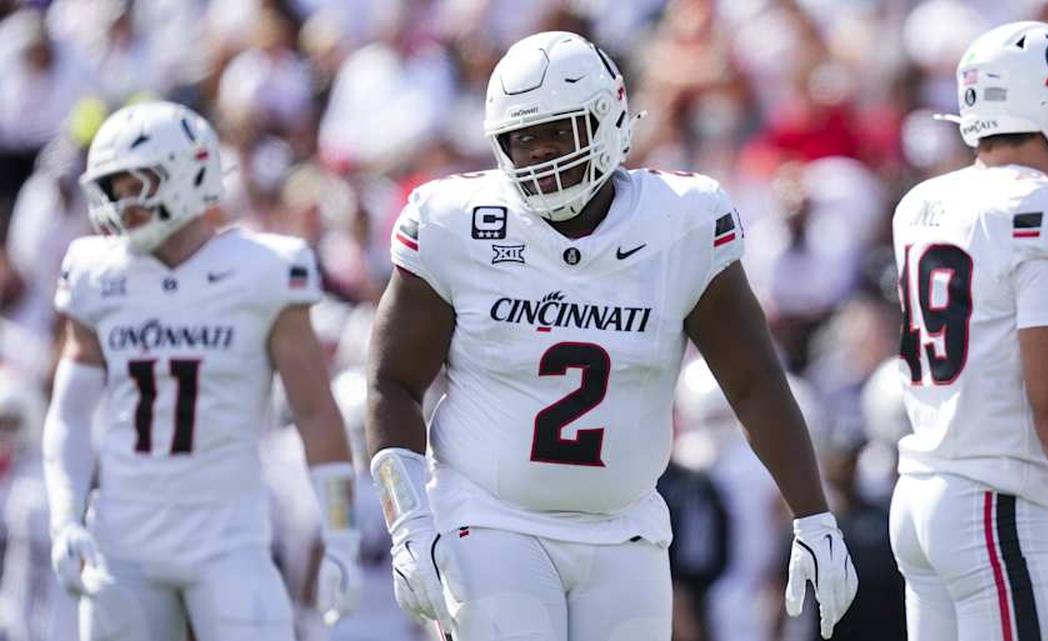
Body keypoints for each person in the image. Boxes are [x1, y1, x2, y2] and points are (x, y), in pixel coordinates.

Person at [364, 31, 858, 641]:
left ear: (609, 118)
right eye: (522, 139)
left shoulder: (681, 220)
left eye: (557, 132)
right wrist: (408, 521)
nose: (540, 156)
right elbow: (392, 381)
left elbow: (754, 381)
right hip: (490, 518)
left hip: (625, 526)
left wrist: (814, 517)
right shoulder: (458, 224)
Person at [43, 101, 361, 641]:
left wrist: (342, 536)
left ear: (187, 172)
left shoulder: (264, 270)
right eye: (112, 188)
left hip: (229, 536)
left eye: (133, 184)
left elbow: (315, 413)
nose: (121, 202)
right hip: (123, 535)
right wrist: (66, 516)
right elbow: (70, 413)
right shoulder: (97, 274)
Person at [889, 20, 1048, 641]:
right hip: (993, 507)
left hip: (920, 499)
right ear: (1044, 98)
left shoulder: (921, 201)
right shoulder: (1046, 207)